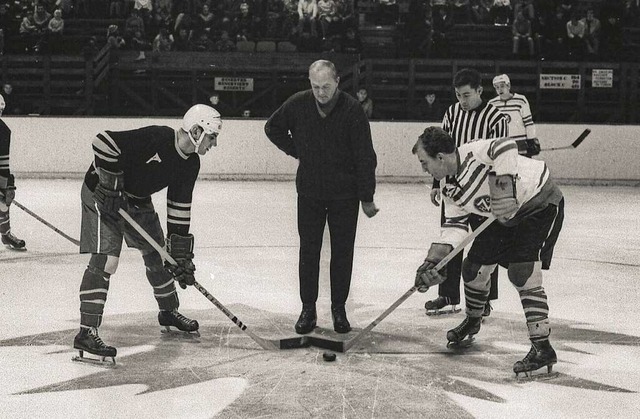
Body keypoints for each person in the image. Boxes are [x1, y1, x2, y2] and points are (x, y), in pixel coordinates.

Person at [73, 104, 222, 365]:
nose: (214, 143)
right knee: (107, 259)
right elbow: (103, 142)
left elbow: (179, 208)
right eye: (212, 136)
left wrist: (178, 255)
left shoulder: (190, 164)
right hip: (102, 195)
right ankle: (87, 332)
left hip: (136, 201)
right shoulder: (157, 138)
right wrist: (111, 186)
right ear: (196, 131)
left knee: (159, 254)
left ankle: (168, 312)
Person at [412, 126, 564, 377]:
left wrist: (502, 190)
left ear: (440, 157)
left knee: (521, 273)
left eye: (424, 162)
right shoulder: (447, 185)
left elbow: (506, 145)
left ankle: (542, 347)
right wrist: (434, 262)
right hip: (500, 218)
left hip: (538, 202)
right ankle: (473, 320)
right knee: (472, 270)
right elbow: (454, 226)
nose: (423, 169)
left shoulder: (474, 153)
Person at [264, 59, 378, 335]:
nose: (321, 92)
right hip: (310, 192)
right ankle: (308, 308)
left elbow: (365, 156)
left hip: (345, 195)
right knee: (309, 251)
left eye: (326, 86)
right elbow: (272, 128)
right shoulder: (298, 103)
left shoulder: (352, 109)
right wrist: (297, 150)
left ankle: (339, 308)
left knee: (342, 252)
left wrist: (366, 197)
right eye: (315, 86)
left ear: (338, 81)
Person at [425, 68, 508, 316]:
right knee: (451, 240)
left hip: (482, 193)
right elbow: (438, 151)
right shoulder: (452, 113)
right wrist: (435, 183)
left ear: (480, 91)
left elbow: (501, 159)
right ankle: (447, 295)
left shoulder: (496, 118)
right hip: (453, 190)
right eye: (459, 95)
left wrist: (499, 195)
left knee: (486, 244)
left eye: (467, 95)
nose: (462, 100)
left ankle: (483, 299)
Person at [488, 74, 539, 157]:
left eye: (502, 86)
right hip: (501, 144)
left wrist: (531, 140)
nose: (499, 89)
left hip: (520, 143)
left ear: (508, 86)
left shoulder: (520, 100)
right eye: (497, 87)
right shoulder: (492, 103)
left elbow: (528, 123)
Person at [0, 94, 26, 251]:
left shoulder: (3, 131)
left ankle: (5, 234)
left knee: (3, 202)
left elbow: (3, 163)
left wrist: (6, 186)